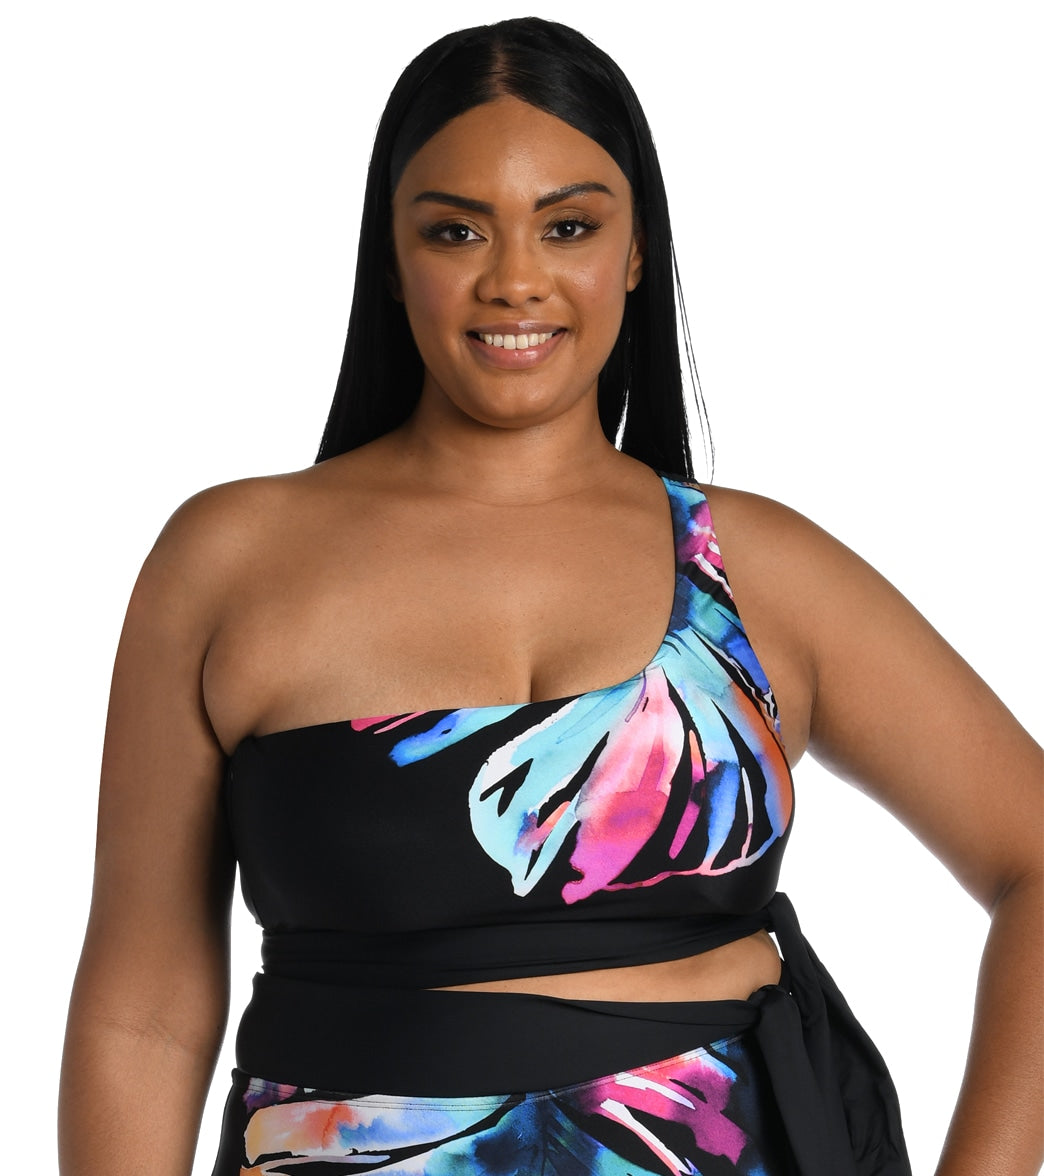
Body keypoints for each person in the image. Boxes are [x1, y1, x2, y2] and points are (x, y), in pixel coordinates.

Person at [58, 16, 1041, 1176]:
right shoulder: (229, 561)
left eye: (568, 226)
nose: (514, 279)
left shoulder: (759, 566)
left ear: (635, 252)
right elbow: (143, 1011)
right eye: (456, 230)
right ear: (392, 256)